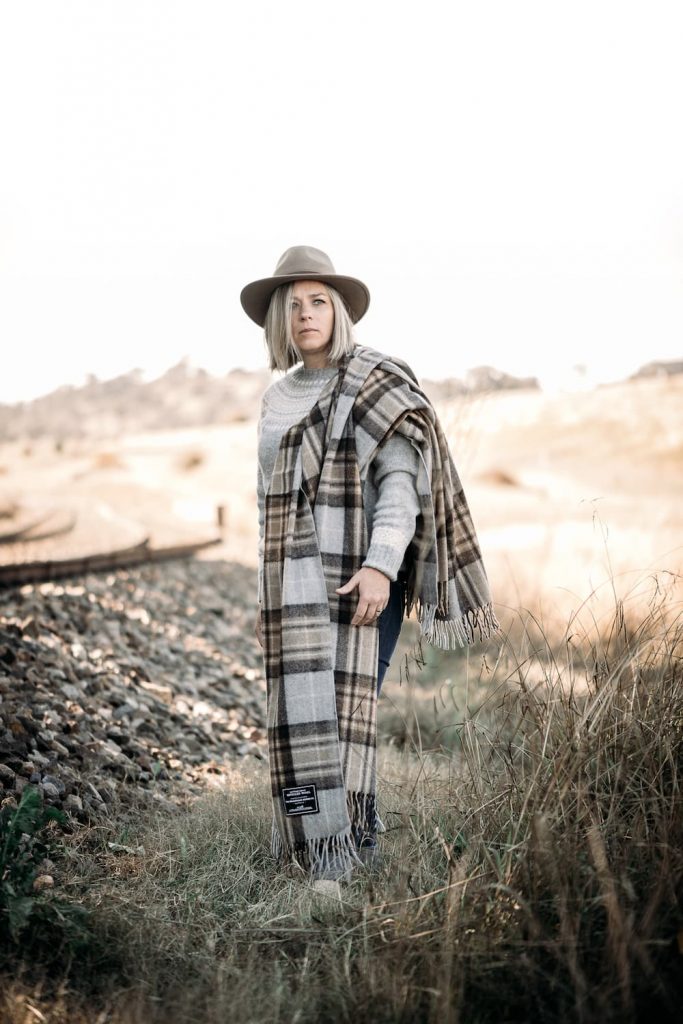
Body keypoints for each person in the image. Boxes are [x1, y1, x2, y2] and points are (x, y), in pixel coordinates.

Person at [240, 245, 499, 892]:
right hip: (291, 583)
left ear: (338, 312)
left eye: (317, 301)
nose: (305, 313)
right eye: (292, 304)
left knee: (343, 710)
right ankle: (307, 840)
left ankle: (342, 852)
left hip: (358, 578)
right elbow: (267, 496)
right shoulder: (274, 400)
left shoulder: (373, 382)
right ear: (279, 318)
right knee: (297, 709)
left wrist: (382, 566)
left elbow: (399, 486)